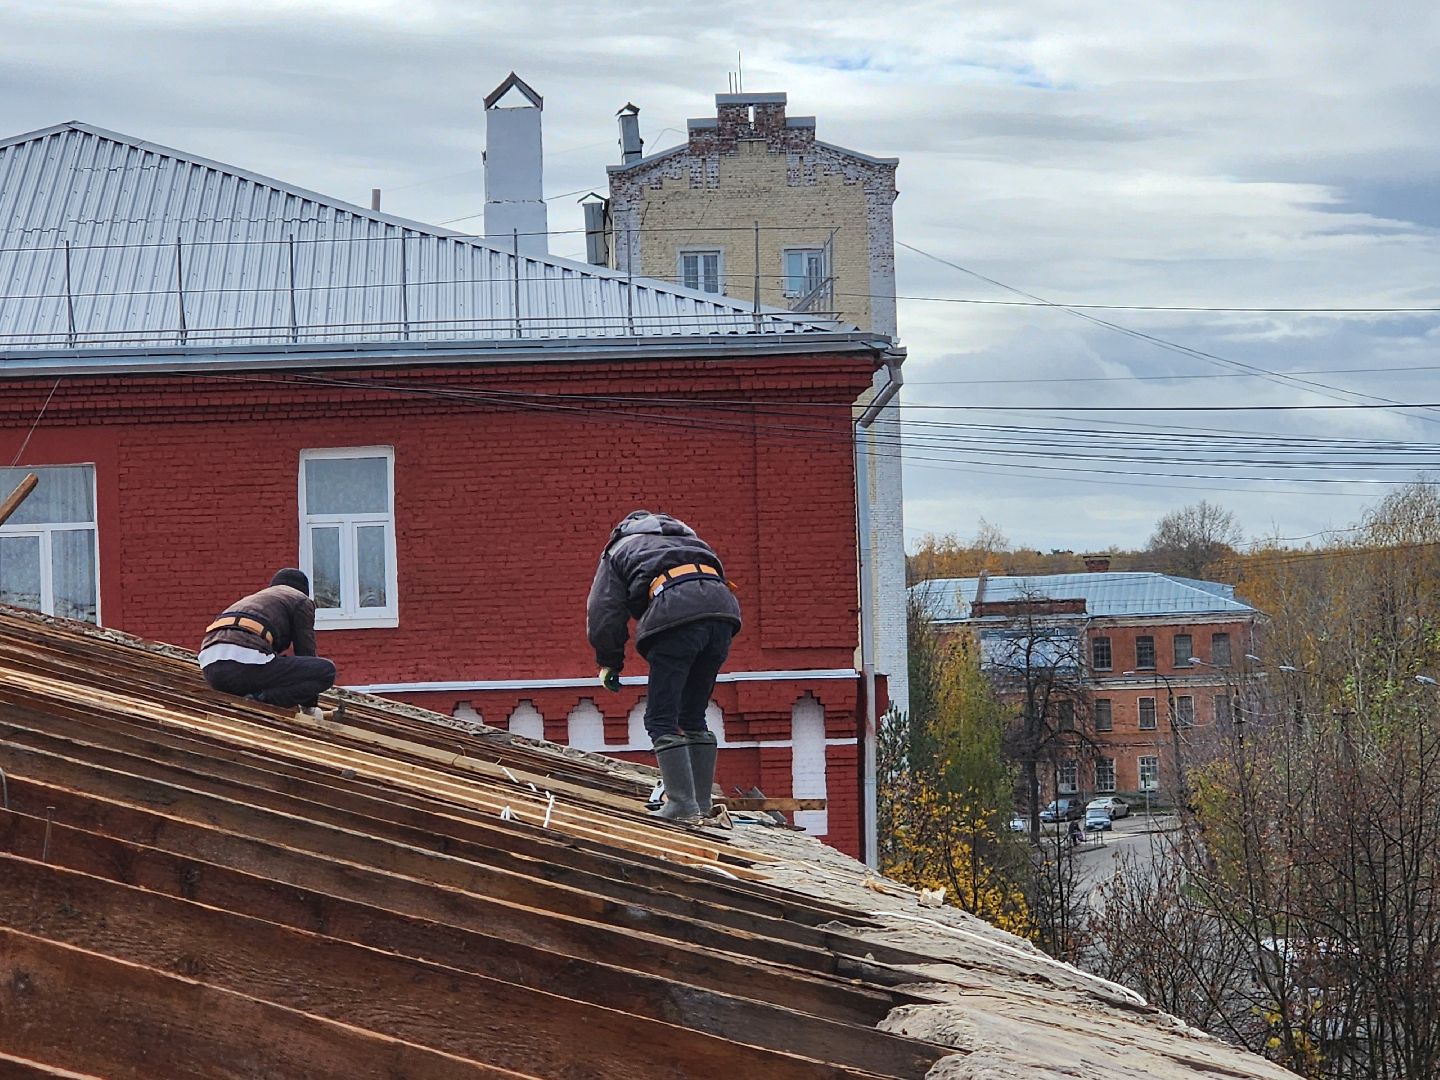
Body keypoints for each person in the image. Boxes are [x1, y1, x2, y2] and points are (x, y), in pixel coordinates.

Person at [587, 511, 741, 823]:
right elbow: (715, 578)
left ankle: (682, 805)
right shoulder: (693, 541)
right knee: (693, 714)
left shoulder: (618, 549)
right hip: (723, 615)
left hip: (676, 614)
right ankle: (699, 803)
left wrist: (609, 663)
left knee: (660, 718)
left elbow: (604, 611)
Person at [198, 568, 336, 716]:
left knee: (273, 665)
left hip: (211, 670)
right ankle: (260, 699)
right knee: (325, 671)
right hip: (245, 664)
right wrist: (309, 707)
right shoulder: (300, 599)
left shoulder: (255, 599)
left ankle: (253, 695)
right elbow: (306, 651)